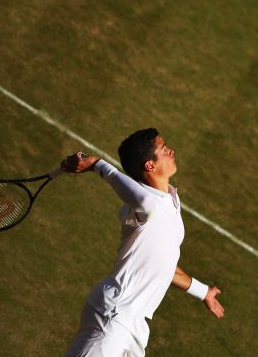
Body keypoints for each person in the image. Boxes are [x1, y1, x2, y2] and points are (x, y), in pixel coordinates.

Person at [62, 128, 224, 357]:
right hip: (113, 318)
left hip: (135, 323)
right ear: (150, 165)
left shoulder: (170, 202)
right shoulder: (141, 207)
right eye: (164, 150)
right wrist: (97, 165)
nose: (171, 151)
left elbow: (163, 264)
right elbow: (145, 202)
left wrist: (203, 291)